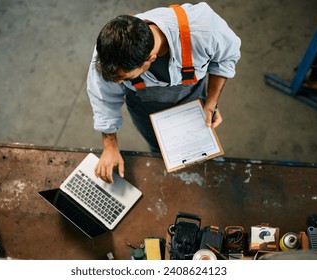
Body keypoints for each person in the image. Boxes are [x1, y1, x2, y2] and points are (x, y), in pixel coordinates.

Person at [87, 2, 241, 183]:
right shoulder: (108, 53)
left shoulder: (205, 30)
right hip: (145, 109)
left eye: (126, 79)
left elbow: (225, 59)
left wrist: (211, 102)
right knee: (161, 153)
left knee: (202, 154)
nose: (119, 83)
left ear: (151, 58)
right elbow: (103, 99)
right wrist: (110, 146)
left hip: (192, 98)